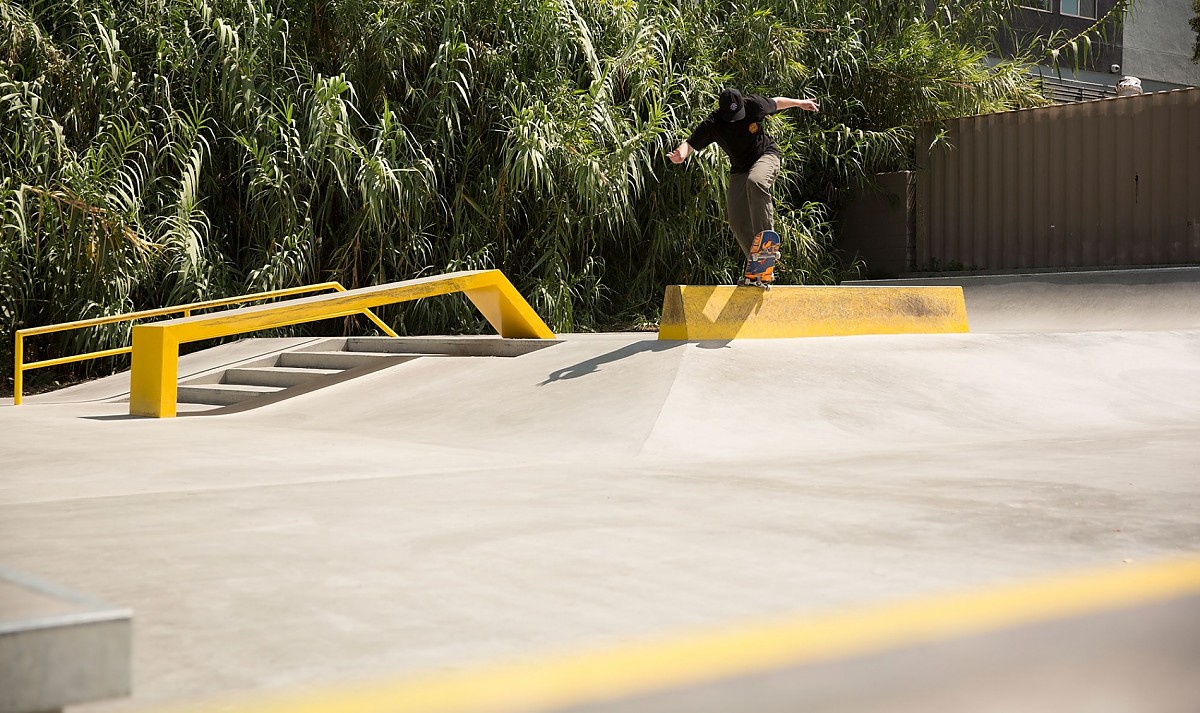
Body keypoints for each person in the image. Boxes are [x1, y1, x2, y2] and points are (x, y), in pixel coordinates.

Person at [667, 88, 819, 267]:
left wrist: (800, 103)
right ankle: (758, 264)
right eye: (730, 116)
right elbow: (691, 142)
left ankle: (766, 248)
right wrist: (681, 154)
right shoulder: (713, 123)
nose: (734, 120)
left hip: (765, 156)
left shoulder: (754, 105)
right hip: (740, 169)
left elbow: (777, 102)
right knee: (736, 220)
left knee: (756, 181)